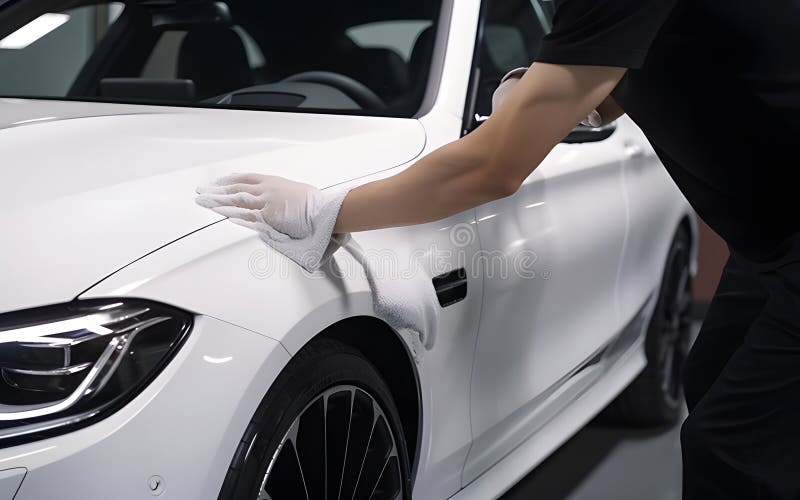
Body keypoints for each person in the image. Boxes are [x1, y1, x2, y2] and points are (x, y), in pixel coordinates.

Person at [196, 0, 800, 497]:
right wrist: (544, 90)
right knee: (714, 378)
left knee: (735, 455)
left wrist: (325, 211)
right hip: (769, 244)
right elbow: (627, 73)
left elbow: (490, 168)